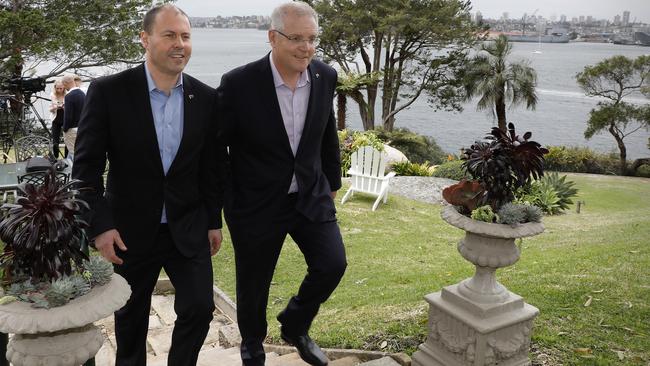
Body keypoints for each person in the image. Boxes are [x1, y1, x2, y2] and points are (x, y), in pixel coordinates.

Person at [72, 4, 222, 366]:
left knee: (200, 308)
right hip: (128, 230)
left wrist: (213, 219)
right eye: (169, 35)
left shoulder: (206, 98)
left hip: (187, 226)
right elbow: (87, 169)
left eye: (185, 36)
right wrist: (101, 226)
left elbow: (212, 167)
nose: (180, 44)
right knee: (130, 317)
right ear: (145, 39)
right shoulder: (109, 92)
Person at [216, 2, 346, 365]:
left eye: (312, 39)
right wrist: (229, 198)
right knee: (254, 284)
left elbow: (326, 135)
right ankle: (253, 346)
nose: (306, 47)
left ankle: (295, 323)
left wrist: (331, 182)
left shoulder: (325, 76)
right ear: (273, 37)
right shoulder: (239, 83)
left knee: (332, 264)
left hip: (310, 196)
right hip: (255, 203)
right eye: (296, 39)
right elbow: (216, 148)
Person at [62, 73, 85, 160]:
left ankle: (74, 173)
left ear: (65, 83)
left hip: (72, 129)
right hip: (82, 127)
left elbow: (68, 116)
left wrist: (64, 129)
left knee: (73, 153)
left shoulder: (69, 96)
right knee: (78, 152)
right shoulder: (82, 94)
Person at [48, 78, 66, 158]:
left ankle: (67, 158)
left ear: (64, 87)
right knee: (55, 142)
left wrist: (63, 106)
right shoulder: (53, 94)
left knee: (67, 141)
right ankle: (56, 158)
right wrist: (56, 107)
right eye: (57, 88)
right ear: (55, 88)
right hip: (56, 119)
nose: (59, 90)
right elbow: (51, 108)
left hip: (65, 118)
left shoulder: (67, 94)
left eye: (61, 88)